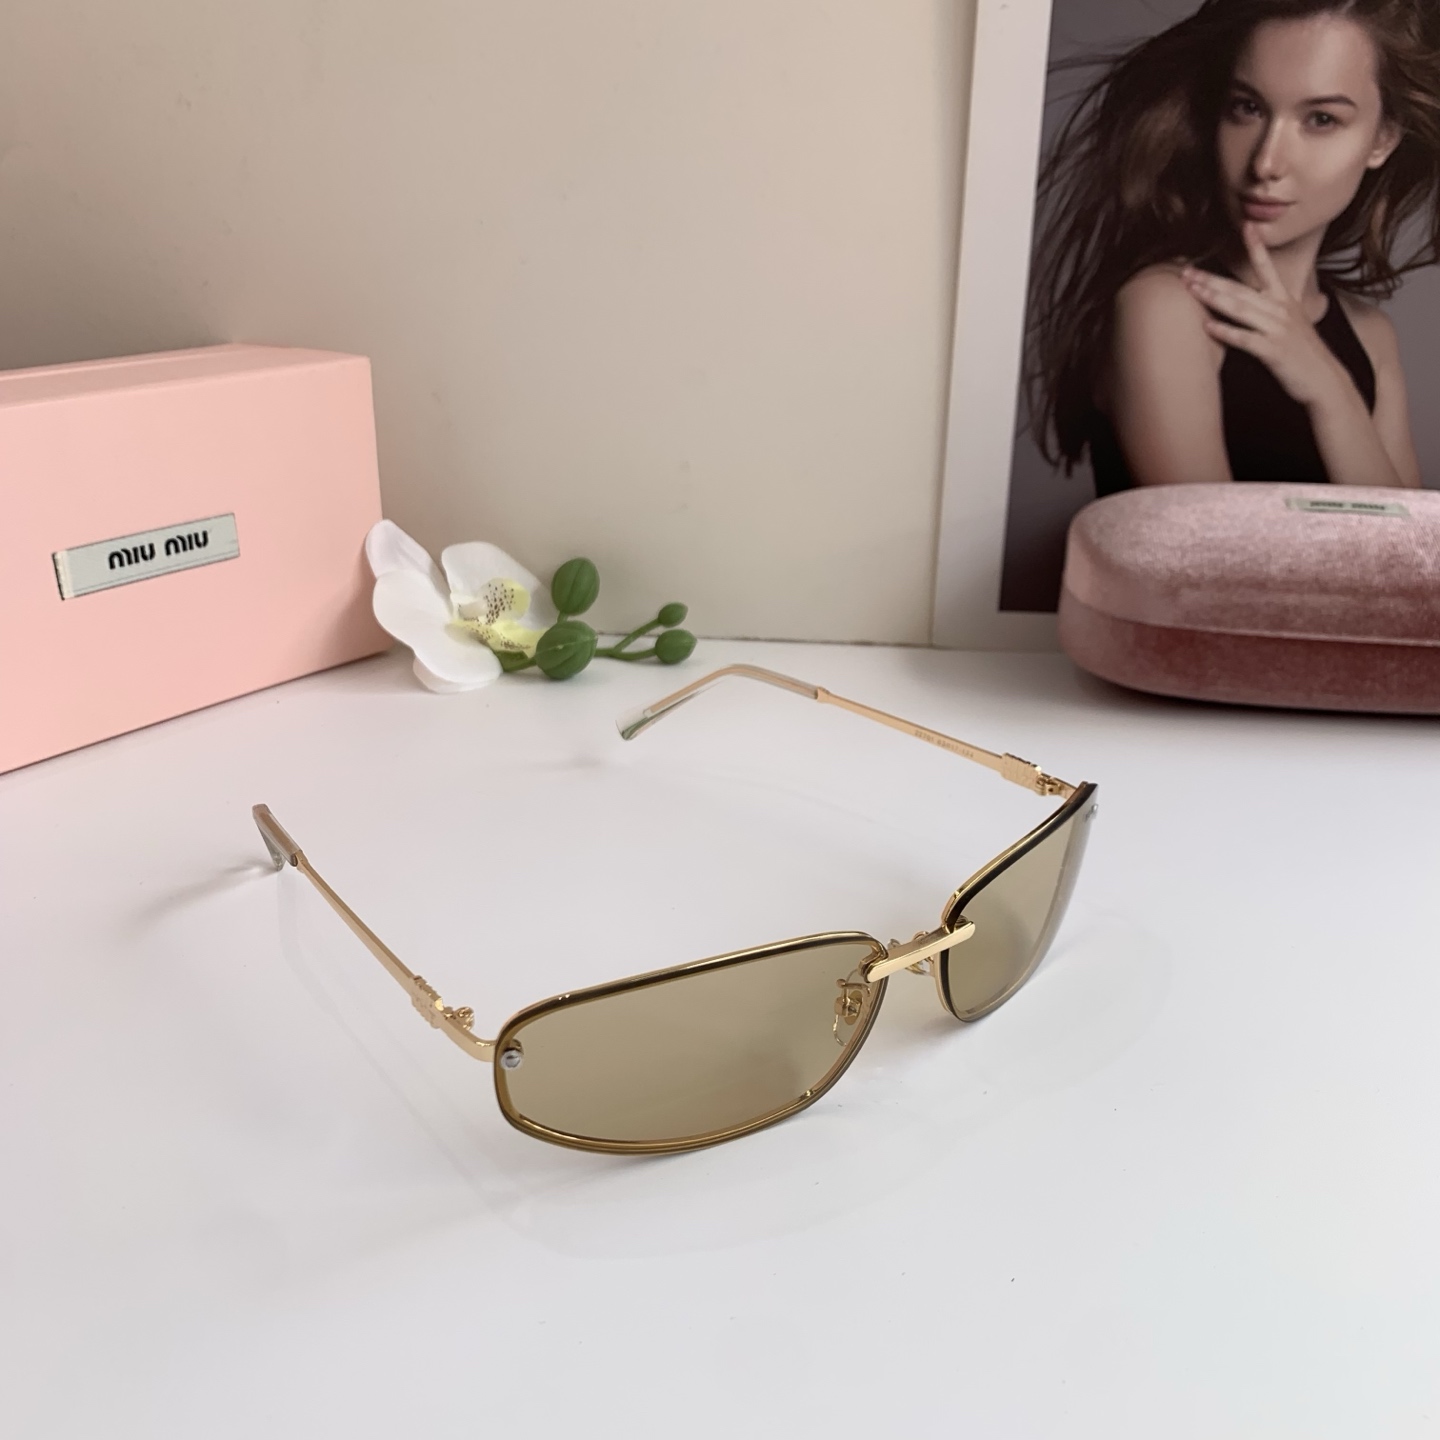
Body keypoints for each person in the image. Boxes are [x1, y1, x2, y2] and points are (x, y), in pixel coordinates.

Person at [1025, 0, 1440, 493]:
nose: (1266, 162)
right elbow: (1201, 539)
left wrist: (1331, 391)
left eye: (1321, 119)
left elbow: (1408, 539)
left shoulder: (1371, 336)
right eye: (1248, 108)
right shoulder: (1165, 306)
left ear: (1383, 139)